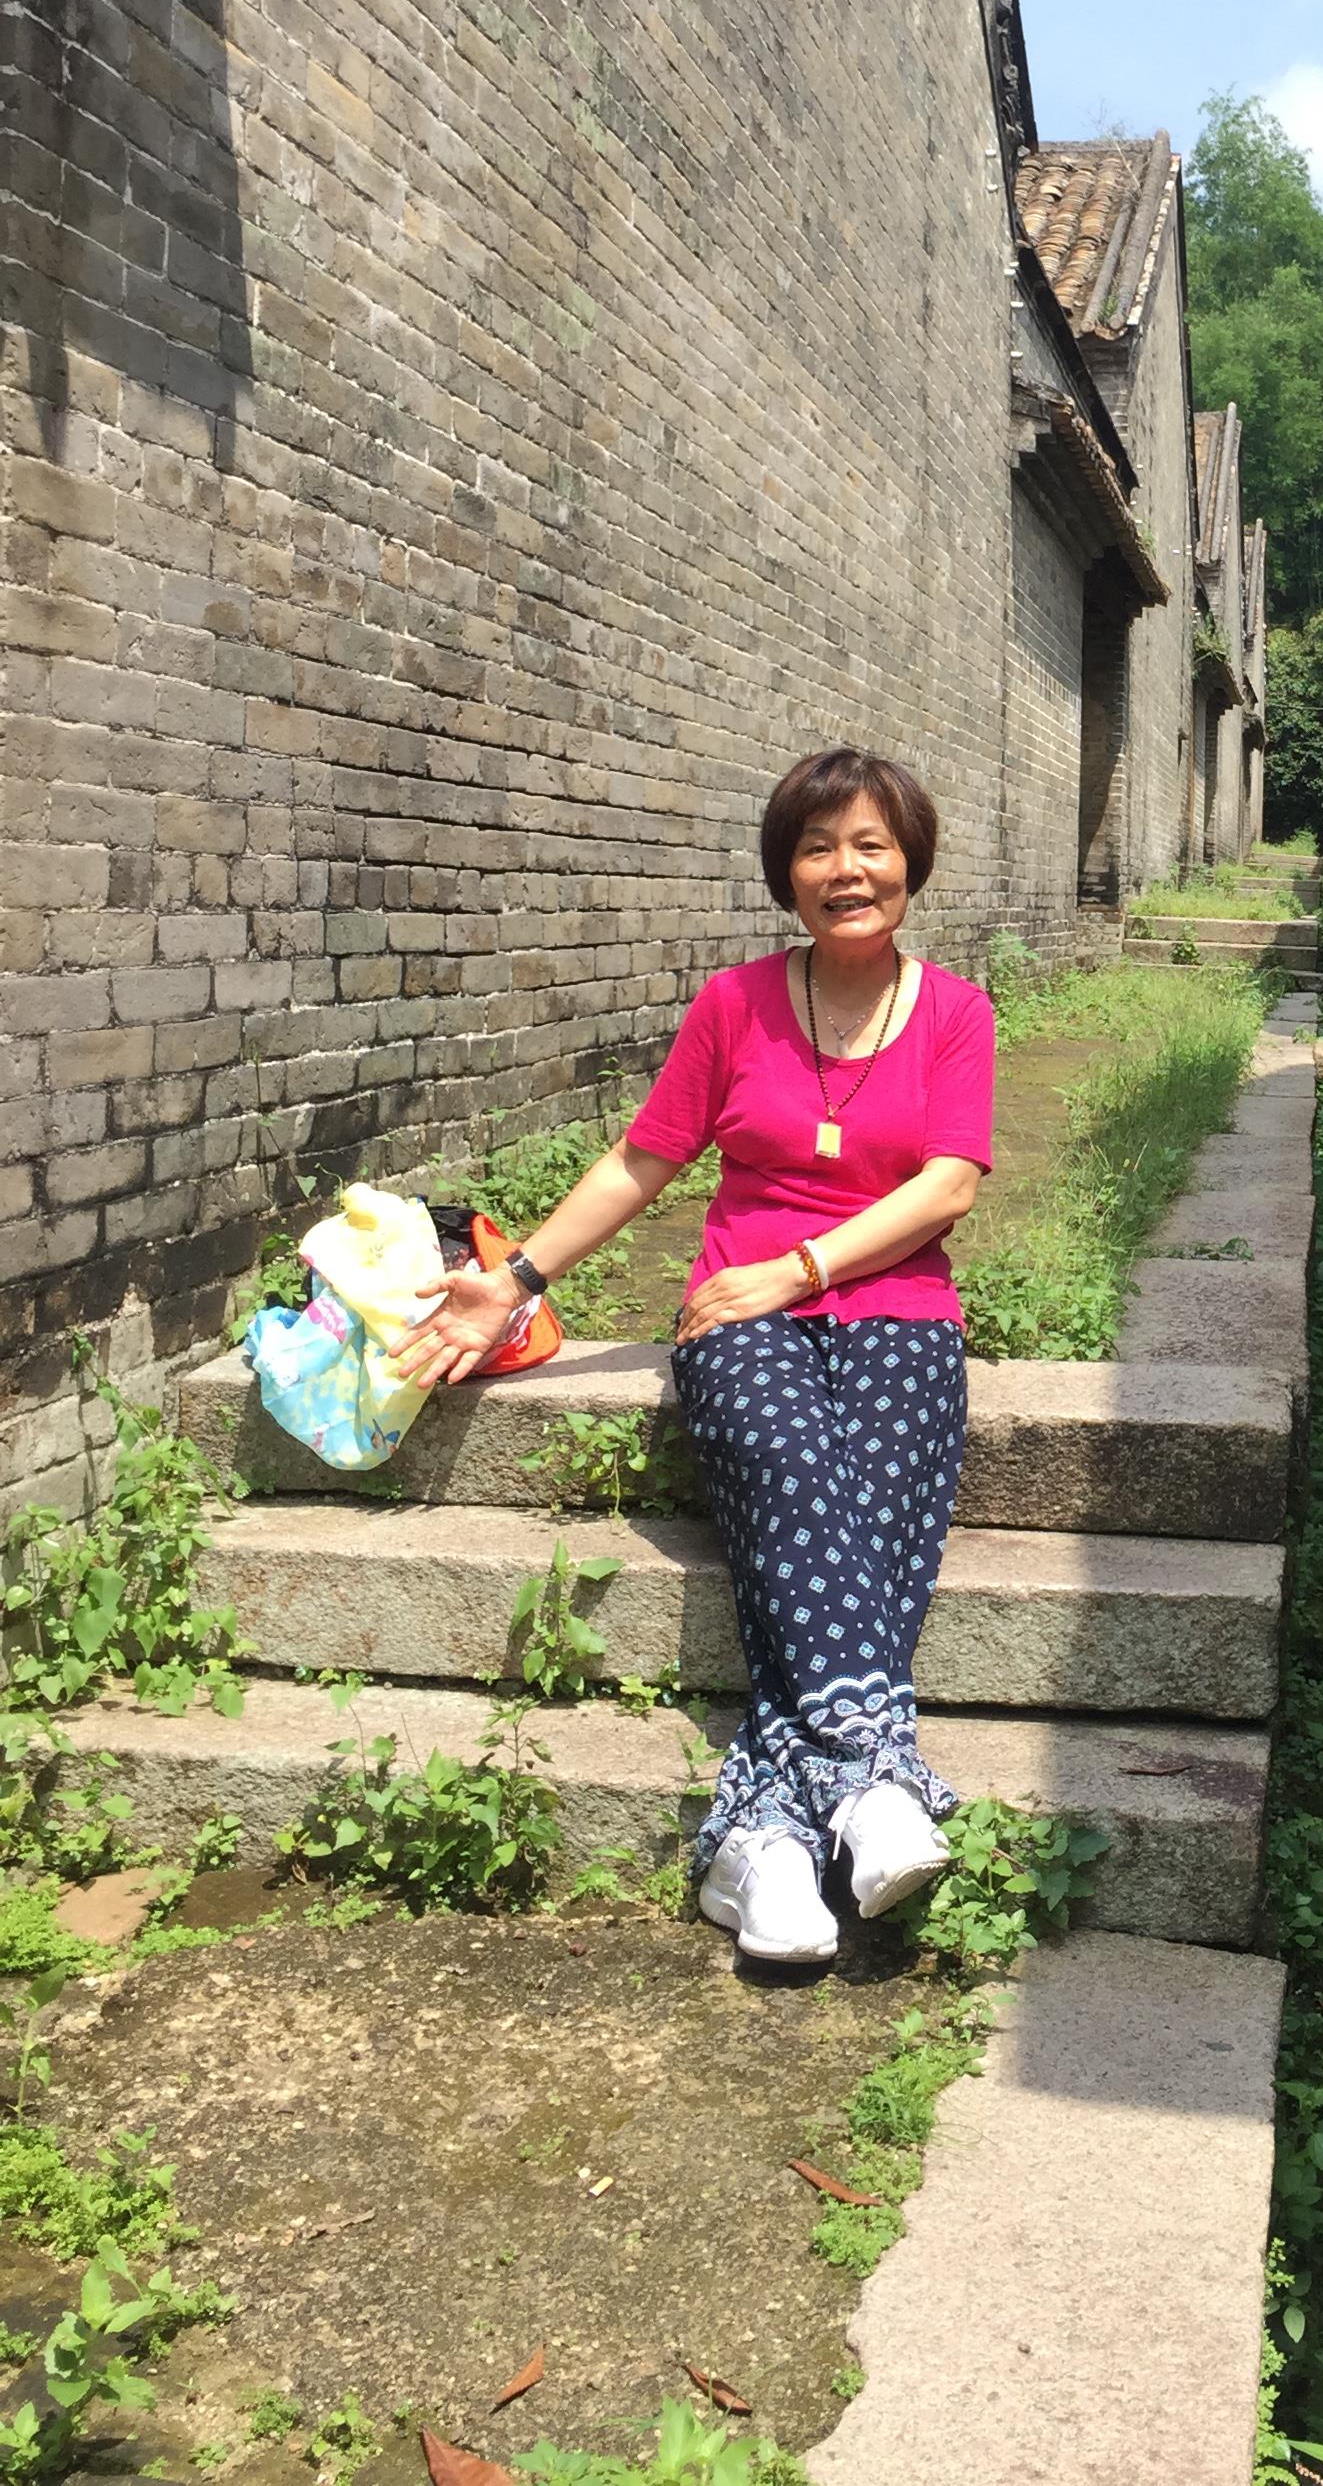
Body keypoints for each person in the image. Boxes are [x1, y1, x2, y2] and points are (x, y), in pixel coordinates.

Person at [398, 748, 993, 1966]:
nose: (848, 870)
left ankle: (760, 1847)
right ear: (787, 873)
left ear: (910, 862)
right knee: (790, 1474)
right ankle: (871, 1795)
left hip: (901, 1316)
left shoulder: (955, 1012)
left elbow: (949, 1184)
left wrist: (806, 1266)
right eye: (820, 848)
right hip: (741, 1319)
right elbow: (640, 1161)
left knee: (864, 1527)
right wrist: (514, 1286)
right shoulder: (733, 1006)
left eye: (872, 844)